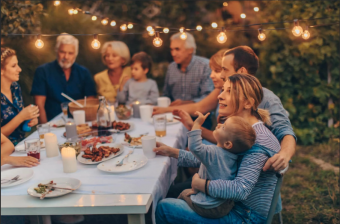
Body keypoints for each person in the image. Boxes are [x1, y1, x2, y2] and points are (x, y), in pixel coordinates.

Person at [155, 74, 282, 223]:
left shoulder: (257, 140)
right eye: (223, 90)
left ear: (248, 103)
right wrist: (172, 152)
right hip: (227, 205)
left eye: (229, 92)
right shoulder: (240, 132)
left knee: (164, 208)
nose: (220, 96)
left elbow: (240, 189)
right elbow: (215, 159)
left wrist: (201, 185)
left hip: (244, 216)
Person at [158, 46, 296, 172]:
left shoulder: (266, 99)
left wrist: (284, 155)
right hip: (226, 166)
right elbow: (223, 147)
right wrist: (175, 148)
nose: (221, 75)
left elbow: (285, 131)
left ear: (241, 72)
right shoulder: (226, 94)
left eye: (224, 69)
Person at [178, 112, 256, 219]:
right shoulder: (233, 156)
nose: (219, 125)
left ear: (228, 144)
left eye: (223, 127)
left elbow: (194, 147)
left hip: (209, 207)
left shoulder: (213, 153)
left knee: (183, 194)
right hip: (224, 204)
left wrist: (196, 125)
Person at [31, 34, 97, 123]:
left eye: (70, 53)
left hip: (79, 122)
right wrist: (45, 128)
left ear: (75, 54)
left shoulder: (83, 72)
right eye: (62, 52)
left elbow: (90, 101)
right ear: (56, 51)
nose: (66, 57)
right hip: (52, 123)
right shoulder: (43, 71)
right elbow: (39, 104)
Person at [1, 47, 39, 145]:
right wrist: (21, 117)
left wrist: (30, 118)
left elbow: (20, 113)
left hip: (22, 144)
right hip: (5, 152)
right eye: (14, 66)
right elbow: (19, 116)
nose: (20, 69)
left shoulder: (15, 87)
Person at [163, 32, 214, 106]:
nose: (173, 54)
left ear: (190, 50)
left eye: (177, 49)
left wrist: (185, 103)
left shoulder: (205, 66)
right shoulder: (171, 68)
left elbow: (208, 97)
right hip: (174, 115)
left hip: (200, 115)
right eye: (171, 49)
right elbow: (166, 95)